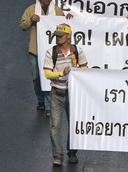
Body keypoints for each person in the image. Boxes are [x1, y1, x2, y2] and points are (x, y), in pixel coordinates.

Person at [43, 23, 87, 167]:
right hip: (56, 92)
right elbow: (47, 73)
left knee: (73, 125)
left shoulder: (77, 52)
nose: (58, 38)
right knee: (55, 125)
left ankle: (72, 152)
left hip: (73, 94)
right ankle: (58, 155)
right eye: (57, 36)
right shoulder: (51, 52)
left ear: (69, 36)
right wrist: (62, 73)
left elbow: (85, 69)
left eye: (61, 36)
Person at [19, 0, 67, 116]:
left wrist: (68, 19)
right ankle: (41, 100)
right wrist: (31, 20)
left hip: (52, 52)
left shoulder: (57, 11)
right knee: (36, 77)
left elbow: (64, 27)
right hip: (35, 50)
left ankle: (48, 106)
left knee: (48, 77)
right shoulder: (32, 9)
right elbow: (22, 25)